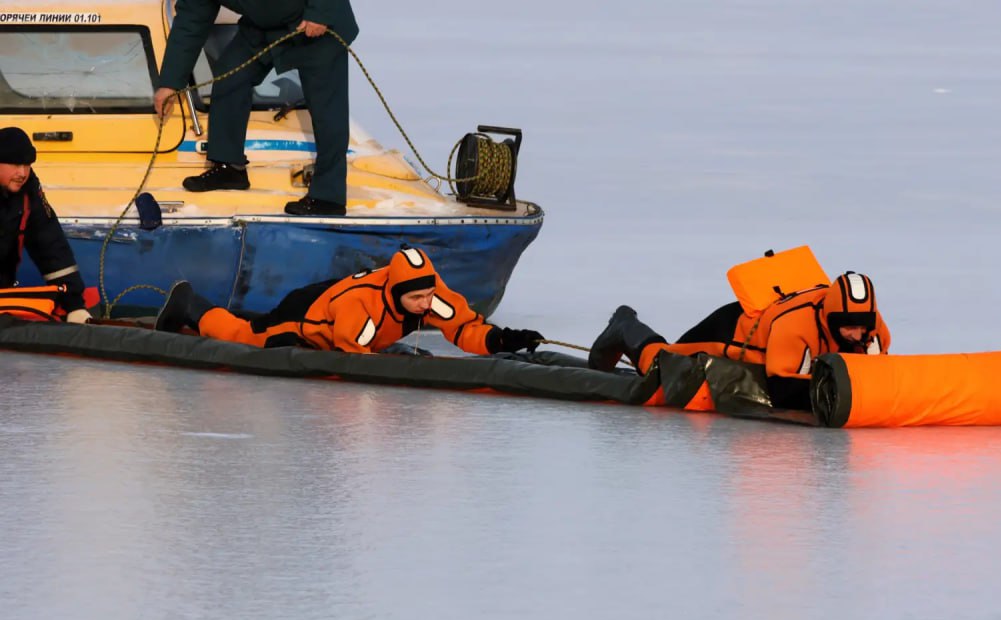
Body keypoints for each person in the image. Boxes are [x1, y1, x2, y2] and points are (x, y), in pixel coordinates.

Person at [154, 1, 359, 217]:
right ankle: (229, 168)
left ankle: (328, 197)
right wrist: (170, 83)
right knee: (230, 75)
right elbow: (191, 19)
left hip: (317, 25)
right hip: (262, 28)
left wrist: (321, 13)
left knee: (326, 108)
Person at [154, 245, 543, 357]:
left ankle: (226, 311)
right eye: (417, 299)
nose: (427, 305)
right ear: (396, 293)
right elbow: (352, 353)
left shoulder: (428, 292)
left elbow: (464, 327)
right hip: (309, 314)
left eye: (429, 296)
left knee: (260, 320)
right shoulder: (362, 306)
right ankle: (190, 305)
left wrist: (502, 339)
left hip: (335, 302)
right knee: (247, 335)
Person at [587, 270, 891, 410]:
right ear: (829, 317)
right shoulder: (796, 327)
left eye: (862, 327)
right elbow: (781, 390)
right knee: (660, 364)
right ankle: (625, 326)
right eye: (847, 327)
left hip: (766, 322)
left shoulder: (873, 329)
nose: (857, 335)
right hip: (731, 330)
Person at [0, 127, 91, 323]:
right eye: (15, 164)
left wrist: (74, 306)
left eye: (27, 165)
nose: (22, 173)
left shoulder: (28, 192)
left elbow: (50, 245)